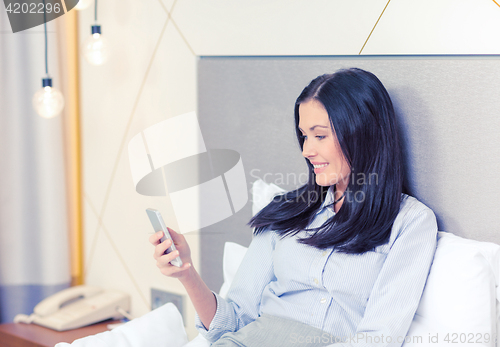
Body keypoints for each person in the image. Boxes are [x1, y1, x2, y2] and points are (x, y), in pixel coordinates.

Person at [149, 68, 438, 347]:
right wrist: (187, 273)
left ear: (361, 133)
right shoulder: (286, 211)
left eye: (320, 135)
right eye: (304, 135)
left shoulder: (410, 223)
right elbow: (234, 322)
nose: (306, 150)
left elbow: (377, 338)